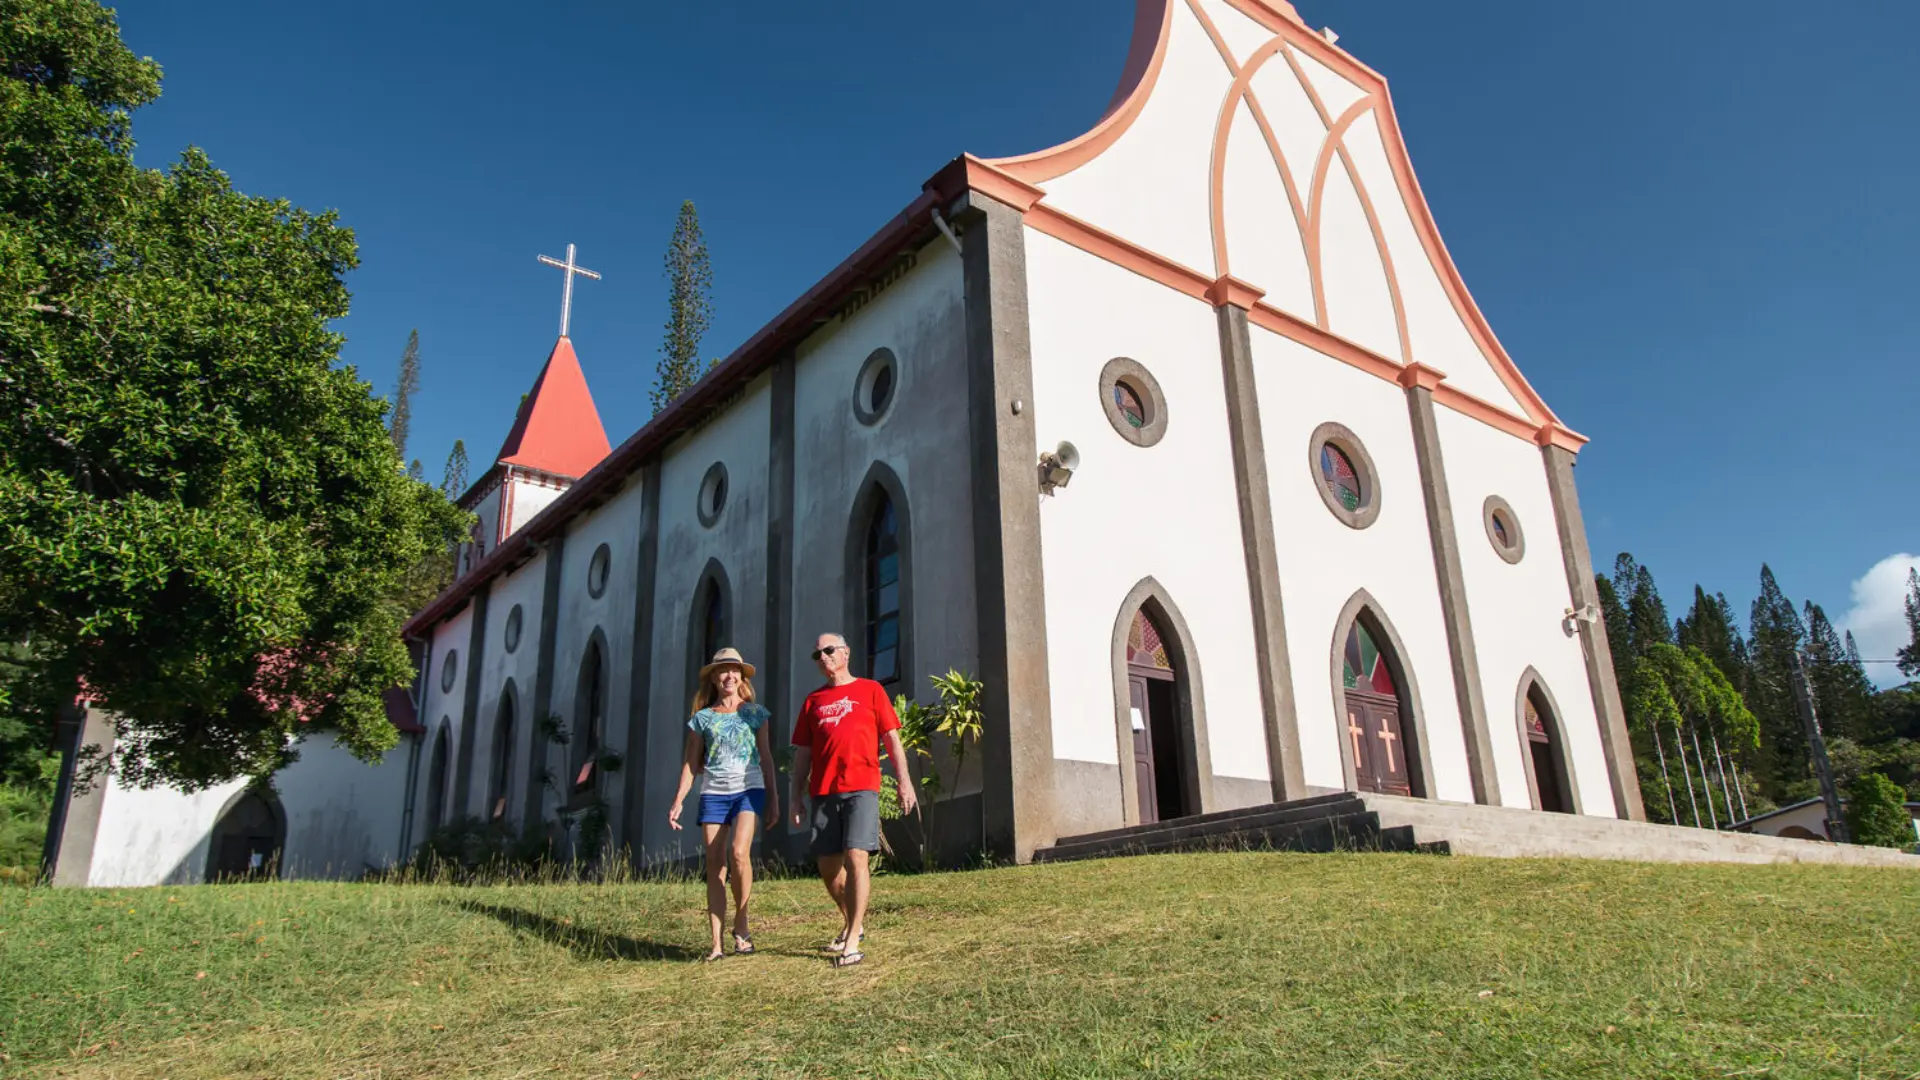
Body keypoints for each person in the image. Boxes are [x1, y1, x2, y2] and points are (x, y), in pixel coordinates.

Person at [788, 631, 915, 968]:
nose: (823, 658)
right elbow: (803, 753)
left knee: (857, 856)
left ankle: (853, 940)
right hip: (824, 791)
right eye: (817, 655)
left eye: (828, 651)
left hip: (862, 786)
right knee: (829, 869)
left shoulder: (871, 690)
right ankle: (851, 922)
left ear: (846, 652)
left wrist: (904, 782)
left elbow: (892, 738)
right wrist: (795, 797)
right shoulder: (812, 702)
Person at [669, 647, 779, 962]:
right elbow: (691, 764)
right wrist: (679, 800)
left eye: (735, 670)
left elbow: (767, 757)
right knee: (715, 864)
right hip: (713, 793)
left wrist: (774, 798)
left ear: (741, 677)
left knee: (739, 853)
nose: (729, 676)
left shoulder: (756, 713)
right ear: (714, 678)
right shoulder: (701, 719)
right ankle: (716, 943)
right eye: (723, 670)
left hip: (749, 789)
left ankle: (741, 926)